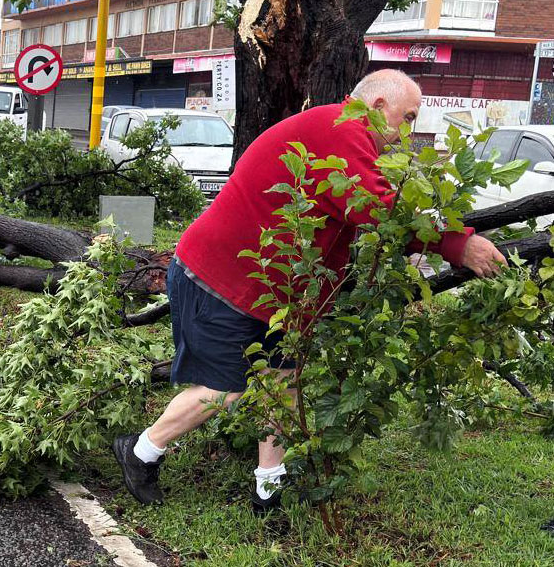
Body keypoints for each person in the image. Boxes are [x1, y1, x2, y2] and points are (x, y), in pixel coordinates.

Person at [111, 69, 508, 511]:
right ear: (377, 108)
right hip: (221, 279)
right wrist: (457, 243)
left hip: (274, 295)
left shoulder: (351, 137)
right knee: (227, 388)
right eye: (408, 117)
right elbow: (376, 211)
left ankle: (269, 487)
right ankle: (140, 451)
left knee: (282, 382)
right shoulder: (343, 129)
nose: (408, 131)